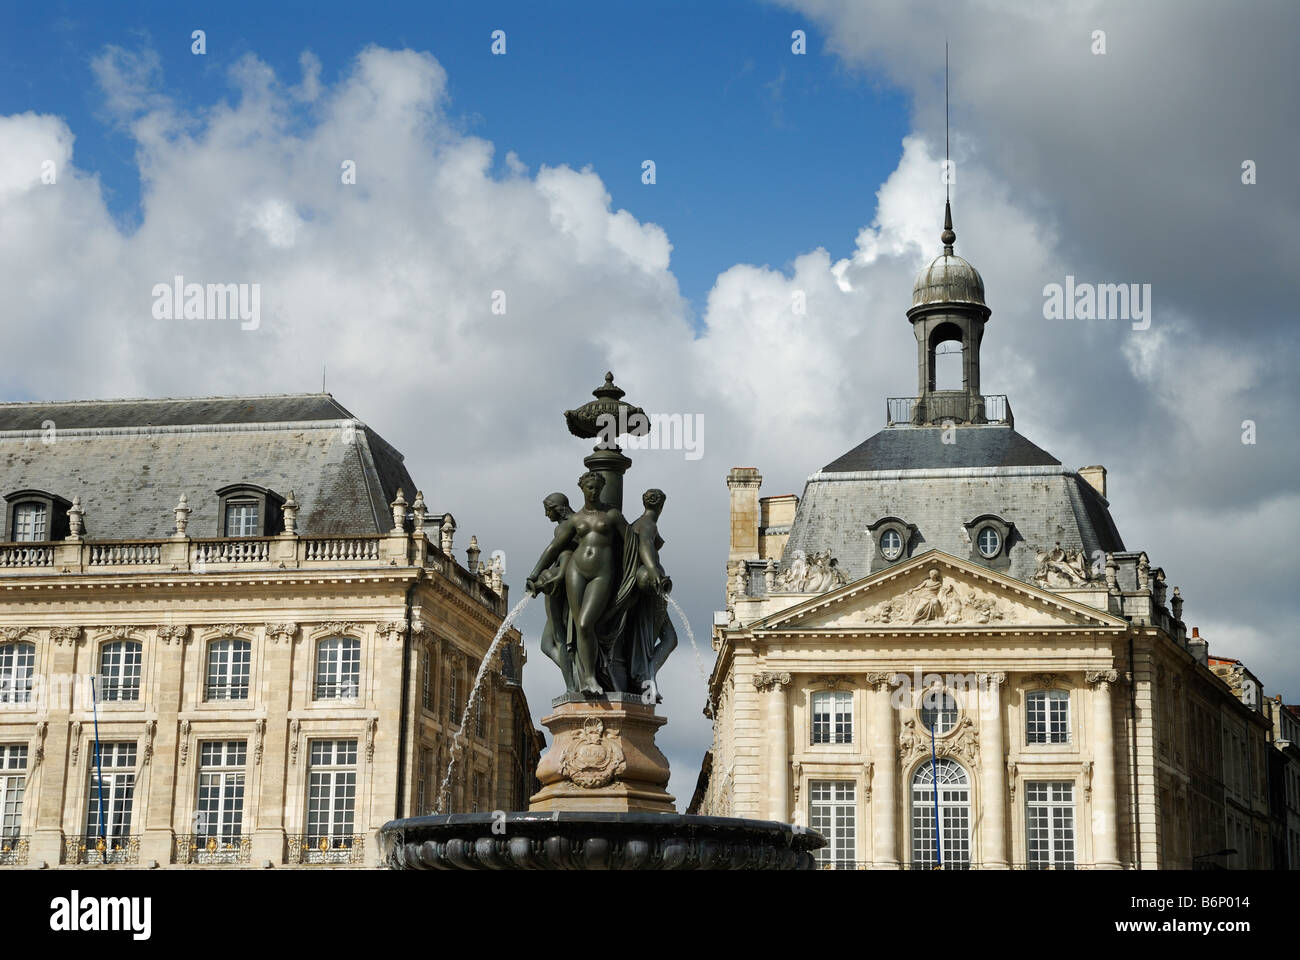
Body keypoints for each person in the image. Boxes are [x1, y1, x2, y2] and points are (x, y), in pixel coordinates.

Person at [527, 493, 576, 690]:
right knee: (546, 645)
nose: (546, 515)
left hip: (559, 584)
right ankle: (576, 676)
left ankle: (573, 686)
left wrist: (533, 575)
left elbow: (552, 550)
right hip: (564, 582)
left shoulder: (567, 526)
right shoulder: (578, 522)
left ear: (558, 508)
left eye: (548, 510)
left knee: (558, 637)